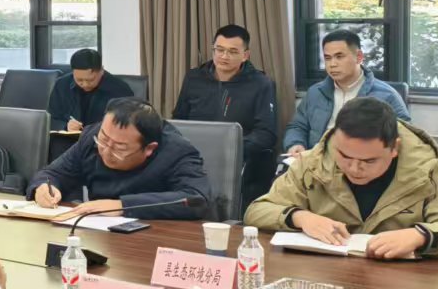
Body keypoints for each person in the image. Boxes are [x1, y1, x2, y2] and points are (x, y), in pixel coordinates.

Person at [247, 98, 438, 259]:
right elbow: (257, 211)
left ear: (394, 148)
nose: (354, 168)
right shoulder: (313, 162)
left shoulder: (428, 172)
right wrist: (300, 217)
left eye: (368, 161)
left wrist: (420, 236)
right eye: (344, 155)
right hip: (327, 279)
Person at [28, 98, 211, 219]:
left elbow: (196, 199)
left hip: (156, 239)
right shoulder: (93, 137)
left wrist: (122, 206)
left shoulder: (177, 151)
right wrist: (43, 187)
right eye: (103, 139)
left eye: (119, 148)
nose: (106, 151)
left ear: (149, 148)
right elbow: (53, 173)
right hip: (100, 234)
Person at [171, 24, 279, 203]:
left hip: (238, 159)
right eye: (219, 50)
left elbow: (266, 134)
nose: (224, 56)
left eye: (232, 51)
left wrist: (230, 147)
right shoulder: (194, 77)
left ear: (245, 55)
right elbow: (179, 121)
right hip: (194, 156)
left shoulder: (261, 84)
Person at [281, 29, 411, 157]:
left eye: (339, 57)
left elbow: (404, 136)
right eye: (327, 58)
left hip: (359, 162)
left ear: (359, 57)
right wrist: (295, 143)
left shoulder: (386, 95)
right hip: (316, 160)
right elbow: (298, 126)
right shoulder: (315, 92)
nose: (332, 64)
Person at [46, 48, 135, 132]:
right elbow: (52, 119)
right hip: (68, 138)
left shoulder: (119, 89)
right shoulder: (62, 85)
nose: (85, 84)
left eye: (90, 80)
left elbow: (126, 124)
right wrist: (66, 126)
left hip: (102, 139)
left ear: (101, 71)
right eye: (79, 80)